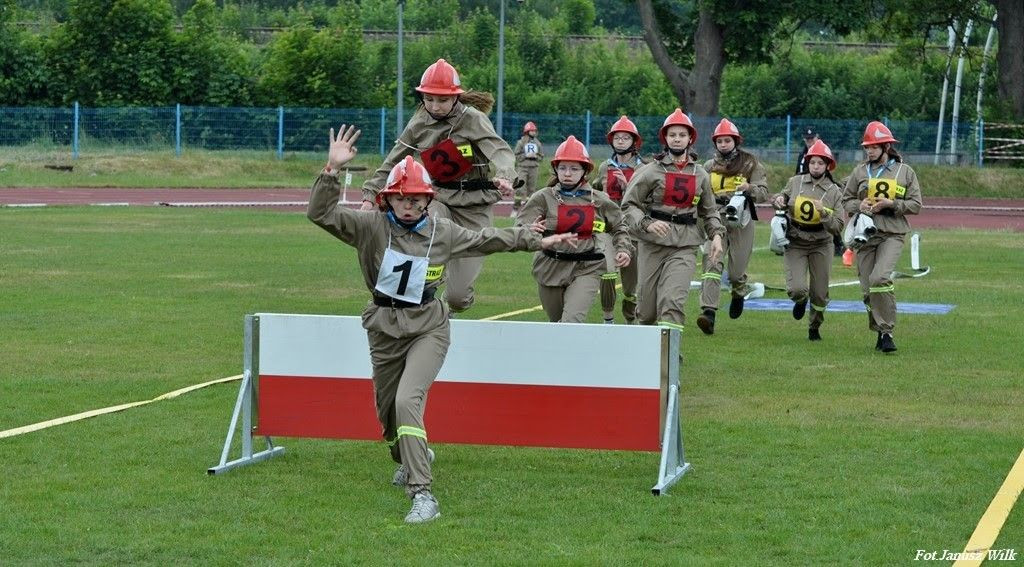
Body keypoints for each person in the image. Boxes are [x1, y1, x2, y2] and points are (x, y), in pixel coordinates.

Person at [309, 125, 576, 523]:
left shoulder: (442, 231)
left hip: (429, 327)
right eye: (402, 199)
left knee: (406, 402)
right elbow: (321, 214)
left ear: (427, 201)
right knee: (388, 416)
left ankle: (423, 494)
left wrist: (538, 241)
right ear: (389, 199)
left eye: (418, 200)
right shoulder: (371, 227)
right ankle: (409, 453)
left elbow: (487, 239)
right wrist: (331, 170)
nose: (410, 206)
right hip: (384, 325)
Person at [359, 58, 517, 316]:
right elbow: (393, 160)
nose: (435, 106)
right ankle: (413, 301)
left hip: (474, 206)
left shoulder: (473, 119)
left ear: (456, 97)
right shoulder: (418, 123)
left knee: (457, 298)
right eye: (429, 99)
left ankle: (452, 302)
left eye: (442, 100)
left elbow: (499, 150)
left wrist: (506, 176)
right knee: (425, 228)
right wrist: (369, 196)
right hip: (439, 198)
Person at [621, 108, 724, 332]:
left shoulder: (700, 175)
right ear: (665, 139)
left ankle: (669, 358)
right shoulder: (649, 171)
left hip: (685, 244)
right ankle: (645, 356)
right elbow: (629, 206)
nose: (677, 139)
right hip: (652, 244)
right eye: (672, 135)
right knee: (647, 312)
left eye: (682, 135)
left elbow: (709, 211)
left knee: (672, 302)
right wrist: (647, 223)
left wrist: (716, 236)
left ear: (690, 139)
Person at [516, 136, 633, 322]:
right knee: (556, 324)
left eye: (574, 168)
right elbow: (521, 225)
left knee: (571, 322)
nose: (567, 173)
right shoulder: (543, 197)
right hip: (550, 267)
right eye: (562, 168)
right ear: (555, 169)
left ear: (585, 171)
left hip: (587, 267)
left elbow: (619, 225)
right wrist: (529, 230)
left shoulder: (599, 199)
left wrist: (623, 249)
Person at [841, 121, 922, 353]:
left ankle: (887, 332)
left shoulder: (905, 172)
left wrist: (892, 204)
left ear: (886, 146)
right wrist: (860, 204)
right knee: (868, 291)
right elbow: (846, 200)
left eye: (874, 147)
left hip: (892, 233)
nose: (870, 151)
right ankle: (879, 331)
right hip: (864, 235)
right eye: (867, 147)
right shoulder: (859, 171)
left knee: (880, 278)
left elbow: (916, 205)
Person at [695, 118, 769, 335]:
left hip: (741, 219)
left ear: (735, 141)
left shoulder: (751, 164)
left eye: (727, 140)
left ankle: (739, 291)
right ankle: (708, 312)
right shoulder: (708, 167)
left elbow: (764, 192)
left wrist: (749, 187)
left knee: (736, 271)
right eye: (719, 141)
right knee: (712, 262)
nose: (723, 144)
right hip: (715, 217)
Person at [771, 140, 845, 341]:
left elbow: (838, 226)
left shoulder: (835, 191)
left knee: (820, 293)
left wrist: (824, 214)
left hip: (821, 242)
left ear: (828, 165)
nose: (815, 167)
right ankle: (800, 300)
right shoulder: (795, 182)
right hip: (796, 240)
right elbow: (780, 198)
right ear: (807, 163)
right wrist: (778, 200)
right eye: (812, 162)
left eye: (820, 163)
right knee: (797, 289)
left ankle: (814, 326)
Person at [590, 115, 649, 324]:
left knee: (632, 284)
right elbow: (597, 187)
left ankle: (630, 305)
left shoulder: (644, 167)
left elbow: (648, 200)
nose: (621, 141)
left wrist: (629, 187)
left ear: (634, 142)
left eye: (626, 137)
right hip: (608, 227)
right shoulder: (605, 166)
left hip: (633, 229)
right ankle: (608, 318)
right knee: (607, 270)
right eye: (617, 137)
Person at [513, 121, 543, 215]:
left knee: (532, 189)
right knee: (520, 188)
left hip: (534, 168)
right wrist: (526, 155)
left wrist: (536, 157)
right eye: (532, 131)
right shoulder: (521, 142)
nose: (534, 132)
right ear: (527, 131)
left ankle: (528, 208)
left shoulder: (538, 143)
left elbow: (541, 156)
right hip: (523, 167)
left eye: (535, 131)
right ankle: (516, 207)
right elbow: (516, 155)